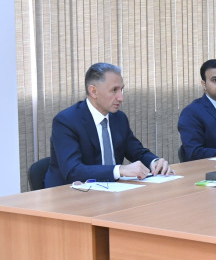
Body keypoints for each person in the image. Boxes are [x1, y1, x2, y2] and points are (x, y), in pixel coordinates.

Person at [44, 63, 173, 187]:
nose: (121, 98)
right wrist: (119, 170)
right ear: (93, 91)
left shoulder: (119, 118)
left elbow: (137, 152)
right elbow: (73, 171)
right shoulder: (66, 121)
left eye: (121, 89)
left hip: (111, 192)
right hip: (71, 194)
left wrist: (154, 162)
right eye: (114, 90)